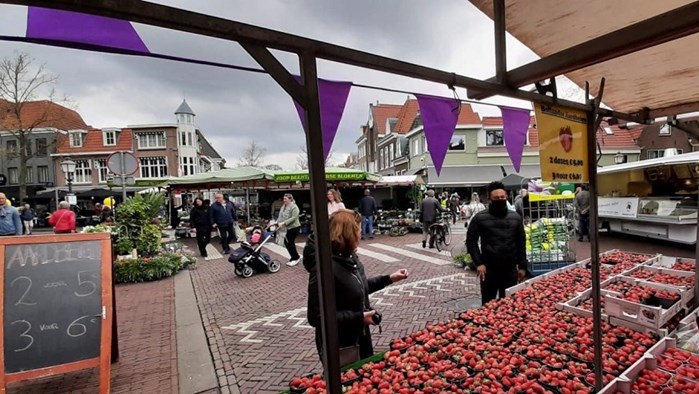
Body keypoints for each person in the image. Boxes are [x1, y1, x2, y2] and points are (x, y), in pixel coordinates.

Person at [303, 209, 408, 362]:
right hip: (341, 343)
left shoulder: (349, 257)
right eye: (357, 230)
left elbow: (358, 287)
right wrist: (358, 317)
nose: (360, 234)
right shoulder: (324, 268)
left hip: (360, 335)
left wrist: (389, 279)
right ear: (348, 234)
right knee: (349, 382)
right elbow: (316, 316)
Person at [466, 181, 527, 305]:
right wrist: (479, 263)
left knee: (509, 305)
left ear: (507, 197)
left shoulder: (515, 217)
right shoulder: (479, 218)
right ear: (489, 199)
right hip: (489, 270)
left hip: (510, 269)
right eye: (496, 198)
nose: (500, 200)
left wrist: (522, 266)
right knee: (488, 305)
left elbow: (521, 242)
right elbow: (471, 242)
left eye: (502, 197)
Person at [277, 193, 302, 266]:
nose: (284, 200)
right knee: (288, 242)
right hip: (287, 228)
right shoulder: (284, 206)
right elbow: (281, 216)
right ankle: (294, 257)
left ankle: (296, 258)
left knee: (289, 242)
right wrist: (277, 222)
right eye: (283, 198)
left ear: (290, 199)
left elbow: (294, 218)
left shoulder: (294, 207)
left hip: (294, 227)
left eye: (285, 199)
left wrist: (284, 223)